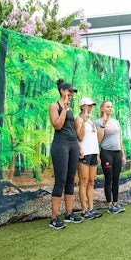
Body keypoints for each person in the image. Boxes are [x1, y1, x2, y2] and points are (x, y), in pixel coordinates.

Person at [48, 78, 83, 229]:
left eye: (73, 93)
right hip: (60, 145)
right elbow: (58, 125)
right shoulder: (54, 106)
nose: (71, 94)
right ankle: (54, 217)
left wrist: (78, 146)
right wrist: (64, 109)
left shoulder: (70, 108)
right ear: (62, 91)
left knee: (70, 179)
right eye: (70, 91)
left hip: (72, 145)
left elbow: (71, 128)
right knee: (60, 179)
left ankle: (69, 214)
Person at [95, 101, 126, 214]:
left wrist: (123, 154)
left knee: (116, 179)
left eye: (111, 107)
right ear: (102, 108)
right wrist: (103, 124)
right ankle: (109, 205)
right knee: (109, 179)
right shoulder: (98, 122)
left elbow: (119, 139)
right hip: (106, 152)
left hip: (117, 153)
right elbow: (98, 140)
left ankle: (115, 204)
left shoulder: (116, 122)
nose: (110, 108)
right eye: (108, 107)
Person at [75, 97, 103, 219]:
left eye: (91, 106)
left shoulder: (91, 120)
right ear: (82, 106)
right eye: (88, 105)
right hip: (84, 153)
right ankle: (84, 210)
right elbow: (80, 137)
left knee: (91, 181)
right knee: (84, 181)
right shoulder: (79, 119)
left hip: (93, 153)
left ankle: (91, 208)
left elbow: (94, 139)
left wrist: (97, 154)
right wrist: (84, 120)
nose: (90, 107)